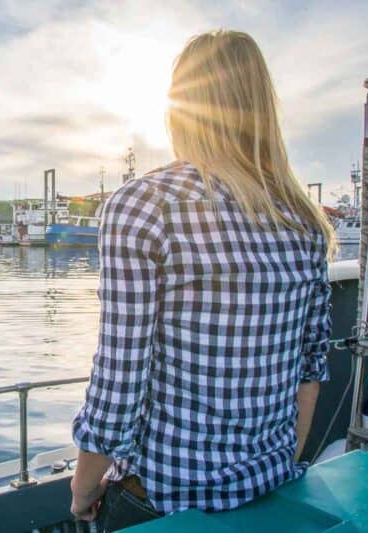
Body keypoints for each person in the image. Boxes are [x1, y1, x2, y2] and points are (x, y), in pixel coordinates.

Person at [70, 30, 336, 532]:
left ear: (178, 108)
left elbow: (119, 378)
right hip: (270, 488)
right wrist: (278, 469)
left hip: (164, 502)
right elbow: (310, 371)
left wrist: (83, 490)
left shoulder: (144, 206)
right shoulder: (304, 223)